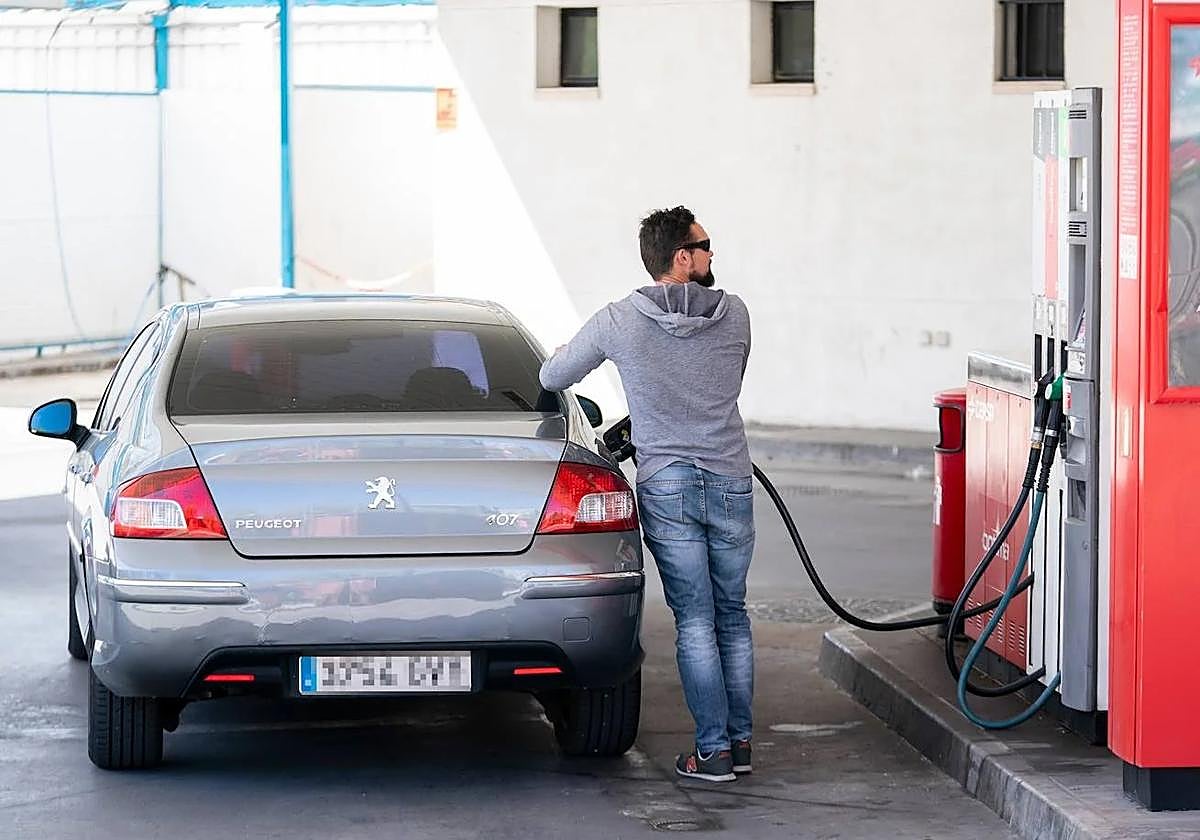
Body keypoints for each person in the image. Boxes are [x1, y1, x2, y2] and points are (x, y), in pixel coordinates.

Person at [539, 206, 755, 782]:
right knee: (731, 616)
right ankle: (739, 744)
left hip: (669, 483)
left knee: (697, 621)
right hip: (731, 479)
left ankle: (713, 753)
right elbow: (728, 381)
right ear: (681, 258)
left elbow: (552, 377)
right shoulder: (735, 315)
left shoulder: (618, 322)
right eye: (705, 245)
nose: (713, 255)